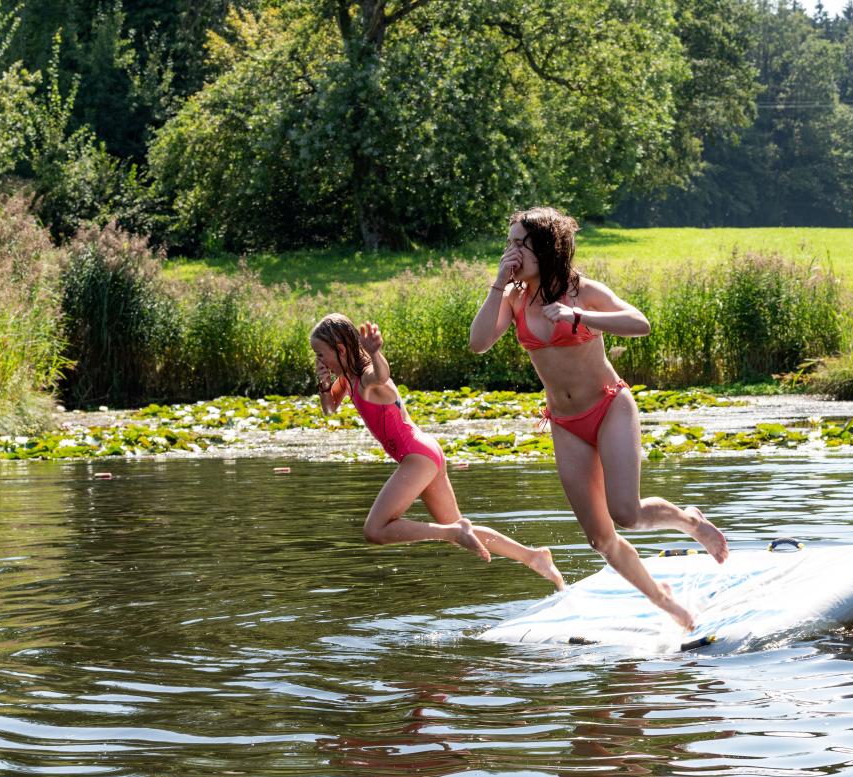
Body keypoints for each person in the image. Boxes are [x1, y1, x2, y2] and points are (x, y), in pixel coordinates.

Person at [468, 207, 728, 630]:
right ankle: (672, 607)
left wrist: (579, 317)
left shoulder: (581, 291)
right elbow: (479, 343)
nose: (510, 252)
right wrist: (498, 283)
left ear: (547, 248)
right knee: (600, 538)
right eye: (509, 242)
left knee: (626, 511)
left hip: (609, 407)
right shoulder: (514, 298)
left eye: (520, 243)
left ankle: (689, 521)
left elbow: (639, 323)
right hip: (565, 423)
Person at [311, 313, 565, 591]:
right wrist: (324, 384)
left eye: (320, 354)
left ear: (341, 349)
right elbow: (329, 408)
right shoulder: (347, 380)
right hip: (425, 452)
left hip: (416, 455)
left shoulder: (366, 377)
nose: (318, 361)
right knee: (459, 528)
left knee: (375, 530)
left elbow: (382, 374)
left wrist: (376, 351)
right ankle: (534, 557)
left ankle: (454, 533)